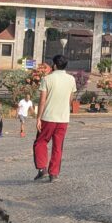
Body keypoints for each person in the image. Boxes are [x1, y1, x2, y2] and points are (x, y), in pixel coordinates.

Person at [34, 54, 76, 182]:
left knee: (40, 142)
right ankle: (54, 173)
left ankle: (42, 168)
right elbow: (70, 99)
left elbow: (42, 100)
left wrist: (38, 118)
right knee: (58, 146)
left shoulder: (47, 79)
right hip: (63, 118)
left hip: (48, 117)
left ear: (55, 65)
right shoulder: (71, 79)